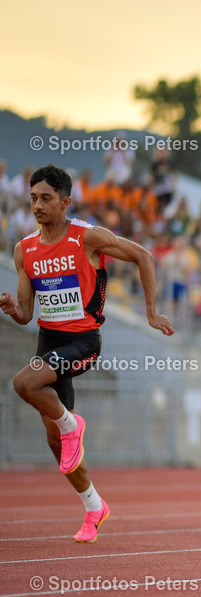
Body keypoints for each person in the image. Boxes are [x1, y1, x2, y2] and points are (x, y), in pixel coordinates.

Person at [0, 164, 174, 542]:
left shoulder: (87, 237)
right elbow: (27, 313)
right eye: (33, 198)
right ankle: (94, 506)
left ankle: (72, 425)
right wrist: (14, 309)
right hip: (48, 342)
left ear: (66, 203)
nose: (37, 206)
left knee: (23, 384)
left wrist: (150, 311)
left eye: (46, 199)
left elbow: (144, 256)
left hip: (83, 342)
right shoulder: (24, 250)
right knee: (56, 443)